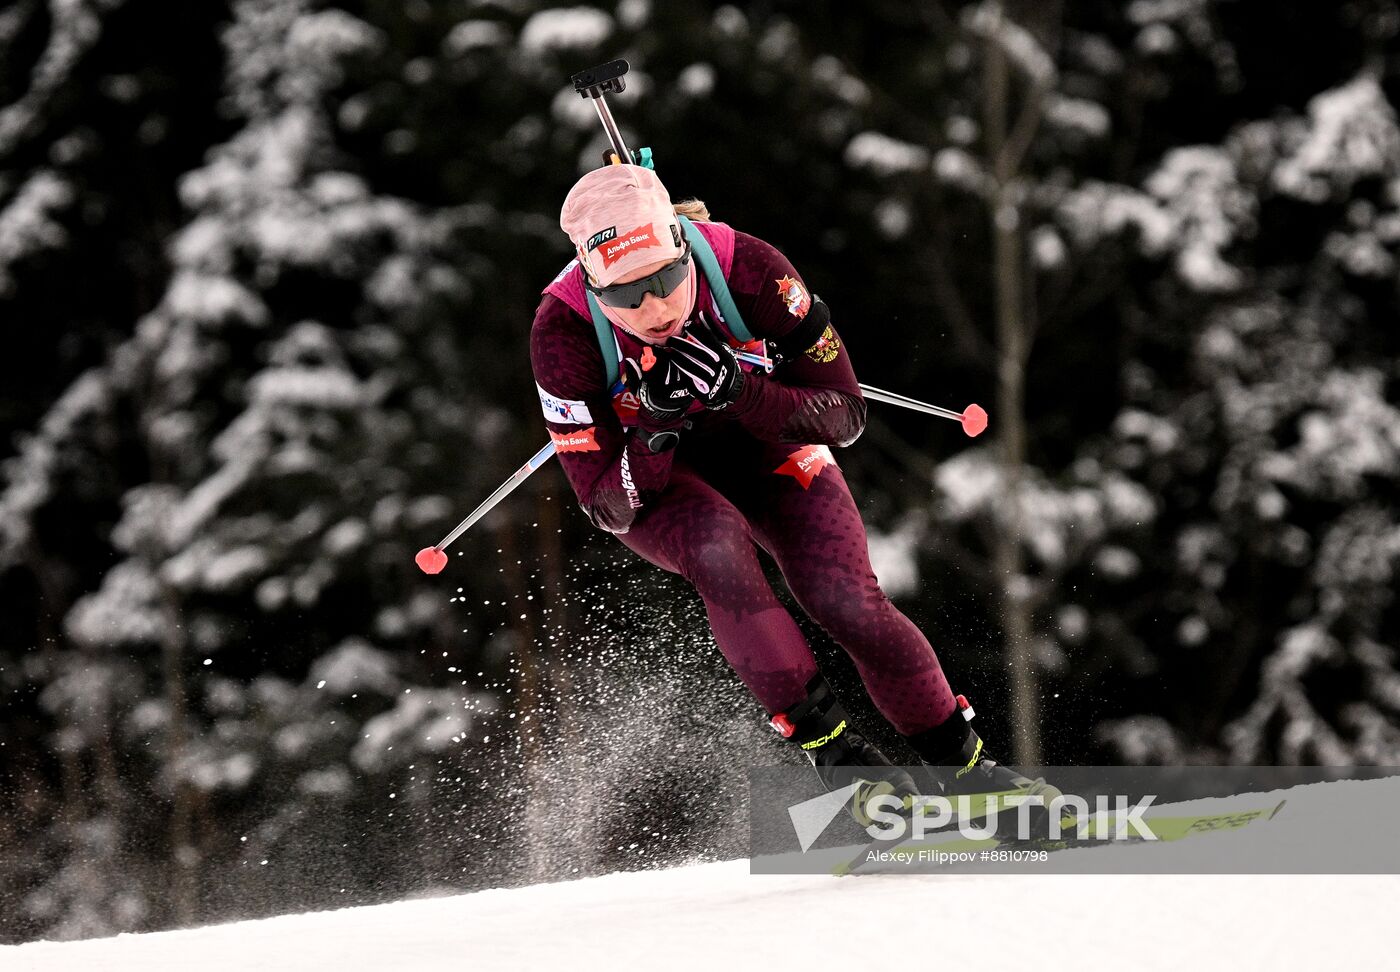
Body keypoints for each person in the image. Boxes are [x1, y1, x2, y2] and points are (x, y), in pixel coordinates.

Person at [530, 162, 1048, 822]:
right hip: (663, 480)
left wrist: (742, 391)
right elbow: (608, 504)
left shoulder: (749, 268)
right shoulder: (562, 332)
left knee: (844, 599)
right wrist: (656, 426)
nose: (655, 307)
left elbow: (844, 415)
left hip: (766, 442)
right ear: (591, 284)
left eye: (666, 278)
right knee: (716, 547)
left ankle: (973, 774)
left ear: (685, 244)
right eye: (626, 294)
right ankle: (845, 768)